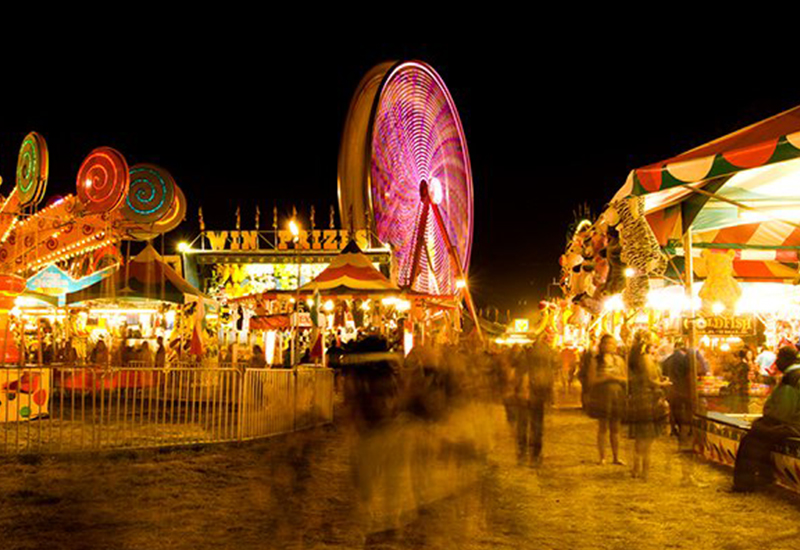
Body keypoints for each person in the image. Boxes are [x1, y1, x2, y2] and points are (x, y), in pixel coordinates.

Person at [733, 346, 800, 492]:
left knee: (754, 438)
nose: (776, 362)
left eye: (778, 358)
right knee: (757, 435)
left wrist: (768, 419)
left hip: (793, 425)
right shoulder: (793, 375)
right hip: (791, 423)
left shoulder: (792, 378)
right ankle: (762, 477)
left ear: (785, 360)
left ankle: (745, 484)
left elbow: (784, 411)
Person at [626, 331, 669, 480]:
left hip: (641, 398)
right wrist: (663, 383)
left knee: (641, 435)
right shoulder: (645, 359)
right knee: (647, 436)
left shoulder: (640, 358)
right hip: (647, 399)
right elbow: (650, 380)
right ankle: (643, 470)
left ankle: (637, 468)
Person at [513, 339, 555, 466]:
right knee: (534, 425)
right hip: (532, 393)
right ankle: (532, 455)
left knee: (528, 425)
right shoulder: (537, 358)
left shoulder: (528, 355)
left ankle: (525, 454)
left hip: (533, 393)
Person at [587, 334, 627, 465]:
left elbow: (625, 378)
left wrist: (615, 378)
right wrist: (607, 378)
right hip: (602, 396)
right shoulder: (596, 361)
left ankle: (616, 456)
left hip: (617, 394)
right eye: (607, 343)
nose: (609, 346)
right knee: (603, 427)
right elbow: (591, 380)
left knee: (616, 427)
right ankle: (602, 457)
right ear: (601, 345)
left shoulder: (619, 360)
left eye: (612, 343)